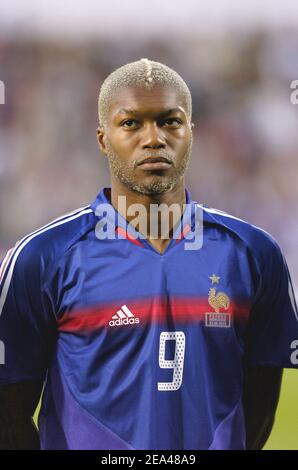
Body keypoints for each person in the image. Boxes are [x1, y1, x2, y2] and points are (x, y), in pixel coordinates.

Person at [0, 58, 297, 450]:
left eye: (169, 121)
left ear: (191, 132)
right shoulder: (41, 258)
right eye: (131, 123)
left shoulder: (253, 253)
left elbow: (260, 407)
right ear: (103, 138)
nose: (153, 138)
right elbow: (9, 416)